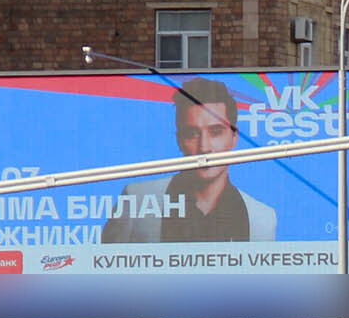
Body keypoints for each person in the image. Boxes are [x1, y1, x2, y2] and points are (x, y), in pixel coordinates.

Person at [99, 75, 277, 245]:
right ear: (179, 139)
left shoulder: (261, 218)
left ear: (234, 137)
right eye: (192, 133)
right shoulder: (137, 199)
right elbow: (104, 266)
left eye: (216, 132)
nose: (204, 147)